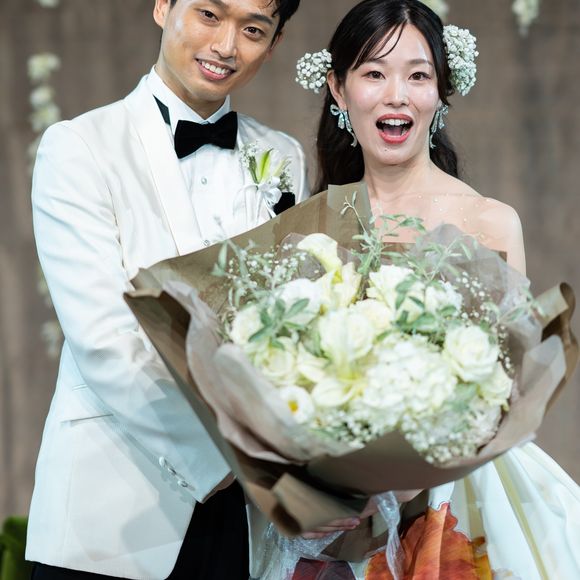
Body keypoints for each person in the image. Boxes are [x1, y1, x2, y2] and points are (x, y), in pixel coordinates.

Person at [282, 0, 580, 578]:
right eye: (374, 73)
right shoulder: (311, 226)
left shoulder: (489, 222)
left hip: (454, 505)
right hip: (337, 520)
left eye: (417, 76)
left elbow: (506, 392)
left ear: (442, 91)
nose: (396, 95)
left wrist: (400, 478)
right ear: (338, 89)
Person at [26, 1, 313, 579]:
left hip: (246, 527)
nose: (226, 46)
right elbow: (105, 340)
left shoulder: (282, 156)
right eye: (209, 13)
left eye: (253, 29)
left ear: (275, 42)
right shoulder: (79, 146)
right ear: (163, 5)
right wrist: (235, 466)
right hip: (111, 519)